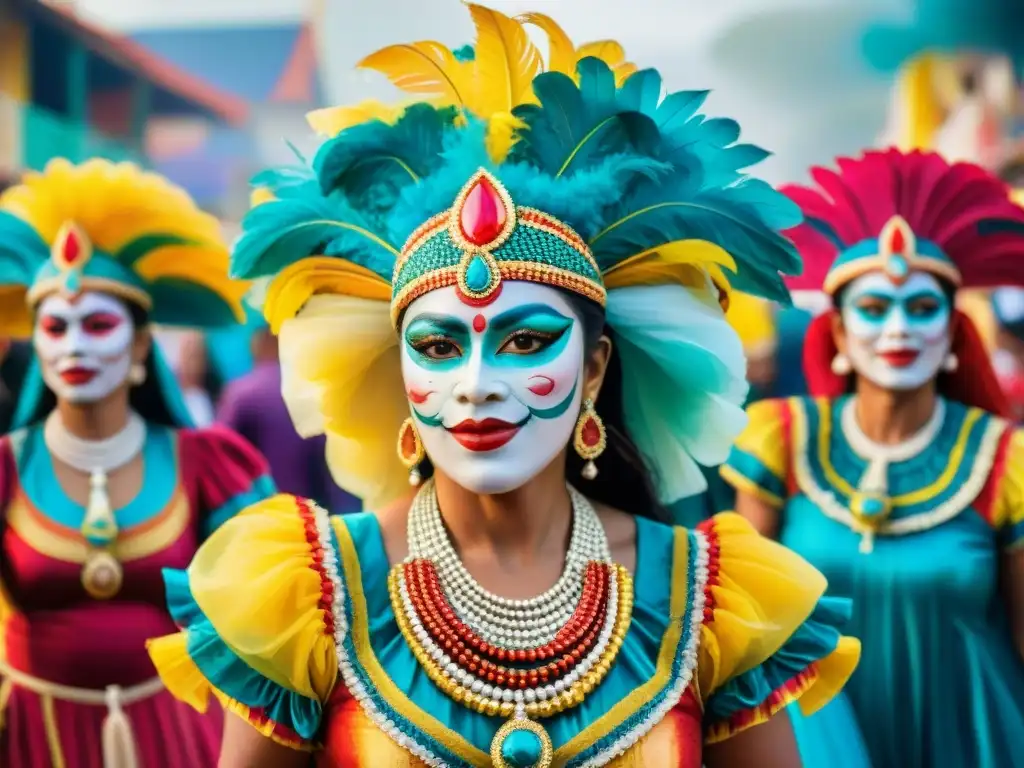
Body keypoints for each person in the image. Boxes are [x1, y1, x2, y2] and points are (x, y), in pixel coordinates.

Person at [148, 7, 860, 767]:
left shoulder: (711, 599)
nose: (477, 386)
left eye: (525, 342)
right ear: (400, 372)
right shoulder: (308, 594)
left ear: (593, 368)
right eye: (438, 346)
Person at [722, 148, 1024, 768]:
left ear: (951, 330)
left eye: (920, 309)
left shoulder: (1006, 460)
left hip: (976, 741)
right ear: (837, 332)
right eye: (872, 309)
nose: (897, 331)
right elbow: (745, 639)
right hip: (811, 745)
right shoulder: (778, 439)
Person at [0, 158, 277, 767]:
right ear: (36, 342)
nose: (73, 345)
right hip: (32, 738)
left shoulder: (210, 465)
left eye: (98, 324)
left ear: (142, 344)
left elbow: (269, 627)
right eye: (55, 326)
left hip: (181, 738)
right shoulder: (3, 470)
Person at [216, 323, 360, 513]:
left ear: (261, 342)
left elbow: (219, 457)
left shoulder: (242, 393)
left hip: (262, 516)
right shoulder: (314, 392)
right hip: (314, 518)